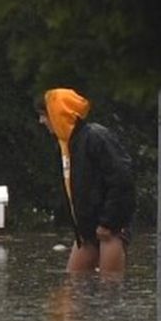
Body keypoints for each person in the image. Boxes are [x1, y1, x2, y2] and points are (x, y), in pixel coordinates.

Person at [36, 88, 135, 274]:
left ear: (59, 114)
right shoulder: (65, 147)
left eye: (44, 115)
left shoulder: (96, 137)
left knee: (109, 290)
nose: (42, 121)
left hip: (110, 229)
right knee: (74, 287)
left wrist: (108, 222)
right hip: (86, 230)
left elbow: (122, 180)